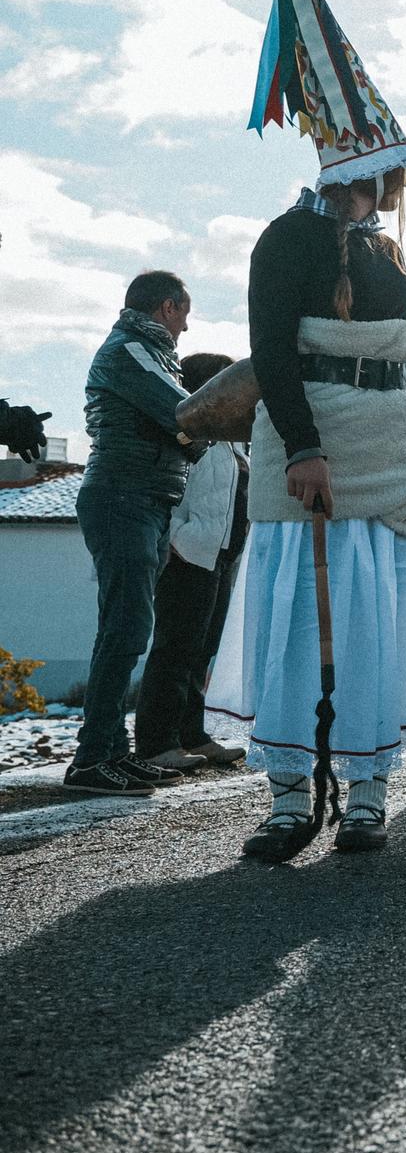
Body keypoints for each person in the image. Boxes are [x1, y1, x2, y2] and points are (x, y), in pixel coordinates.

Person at [208, 0, 406, 858]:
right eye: (379, 166)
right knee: (300, 626)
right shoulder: (288, 239)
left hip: (383, 451)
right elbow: (272, 351)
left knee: (371, 627)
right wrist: (303, 446)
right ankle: (286, 796)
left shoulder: (384, 255)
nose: (388, 179)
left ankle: (368, 792)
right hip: (312, 451)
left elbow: (400, 359)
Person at [64, 270, 201, 796]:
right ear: (167, 307)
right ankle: (91, 759)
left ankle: (112, 753)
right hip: (125, 496)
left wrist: (188, 435)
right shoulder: (132, 350)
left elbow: (182, 427)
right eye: (184, 314)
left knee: (125, 629)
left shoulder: (151, 354)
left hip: (144, 497)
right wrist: (194, 432)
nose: (185, 327)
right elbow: (185, 414)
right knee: (125, 629)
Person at [132, 352, 250, 772]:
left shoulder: (231, 438)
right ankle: (156, 743)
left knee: (202, 650)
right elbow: (166, 490)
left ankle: (191, 735)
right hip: (188, 555)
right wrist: (179, 540)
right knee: (174, 649)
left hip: (220, 555)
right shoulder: (183, 433)